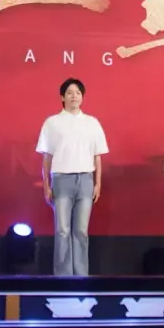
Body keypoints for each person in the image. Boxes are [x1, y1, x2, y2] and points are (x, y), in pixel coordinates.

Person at [37, 77, 108, 276]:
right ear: (62, 97)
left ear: (82, 97)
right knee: (62, 231)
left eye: (77, 93)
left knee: (81, 231)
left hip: (85, 180)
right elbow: (46, 157)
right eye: (69, 93)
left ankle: (81, 276)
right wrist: (46, 185)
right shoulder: (52, 123)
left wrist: (97, 183)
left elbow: (98, 156)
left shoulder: (92, 123)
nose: (74, 96)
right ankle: (63, 277)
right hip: (61, 180)